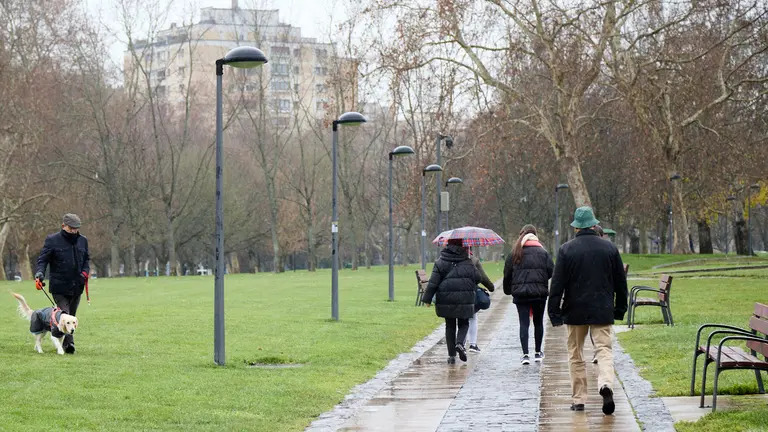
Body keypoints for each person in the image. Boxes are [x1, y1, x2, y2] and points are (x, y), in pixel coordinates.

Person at [548, 207, 628, 415]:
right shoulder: (609, 249)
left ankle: (579, 399)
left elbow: (557, 285)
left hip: (575, 310)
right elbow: (621, 282)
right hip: (602, 308)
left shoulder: (566, 250)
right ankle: (605, 384)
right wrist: (620, 308)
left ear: (576, 227)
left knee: (575, 354)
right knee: (604, 350)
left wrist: (554, 312)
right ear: (594, 225)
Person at [35, 213, 90, 354]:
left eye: (76, 228)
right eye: (71, 228)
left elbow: (86, 261)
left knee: (71, 315)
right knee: (64, 313)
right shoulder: (52, 240)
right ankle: (68, 345)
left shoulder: (83, 241)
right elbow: (42, 260)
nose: (73, 231)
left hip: (77, 286)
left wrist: (84, 274)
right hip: (59, 286)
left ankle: (64, 341)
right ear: (63, 226)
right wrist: (39, 274)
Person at [503, 224, 554, 365]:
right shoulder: (543, 253)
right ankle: (538, 352)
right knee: (538, 322)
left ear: (522, 234)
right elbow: (551, 271)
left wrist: (508, 290)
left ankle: (525, 354)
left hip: (521, 294)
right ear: (535, 235)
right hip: (539, 293)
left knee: (523, 323)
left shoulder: (515, 252)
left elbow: (507, 274)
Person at [422, 238, 479, 364]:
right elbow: (478, 277)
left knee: (450, 326)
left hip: (446, 298)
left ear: (447, 245)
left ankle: (451, 356)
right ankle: (460, 343)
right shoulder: (468, 262)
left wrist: (427, 299)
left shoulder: (440, 262)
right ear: (462, 246)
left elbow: (433, 283)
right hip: (465, 298)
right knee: (464, 323)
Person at [467, 246, 495, 353]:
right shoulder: (473, 260)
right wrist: (491, 287)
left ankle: (461, 343)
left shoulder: (450, 259)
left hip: (453, 294)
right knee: (472, 317)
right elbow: (482, 277)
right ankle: (473, 344)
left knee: (460, 320)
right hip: (470, 293)